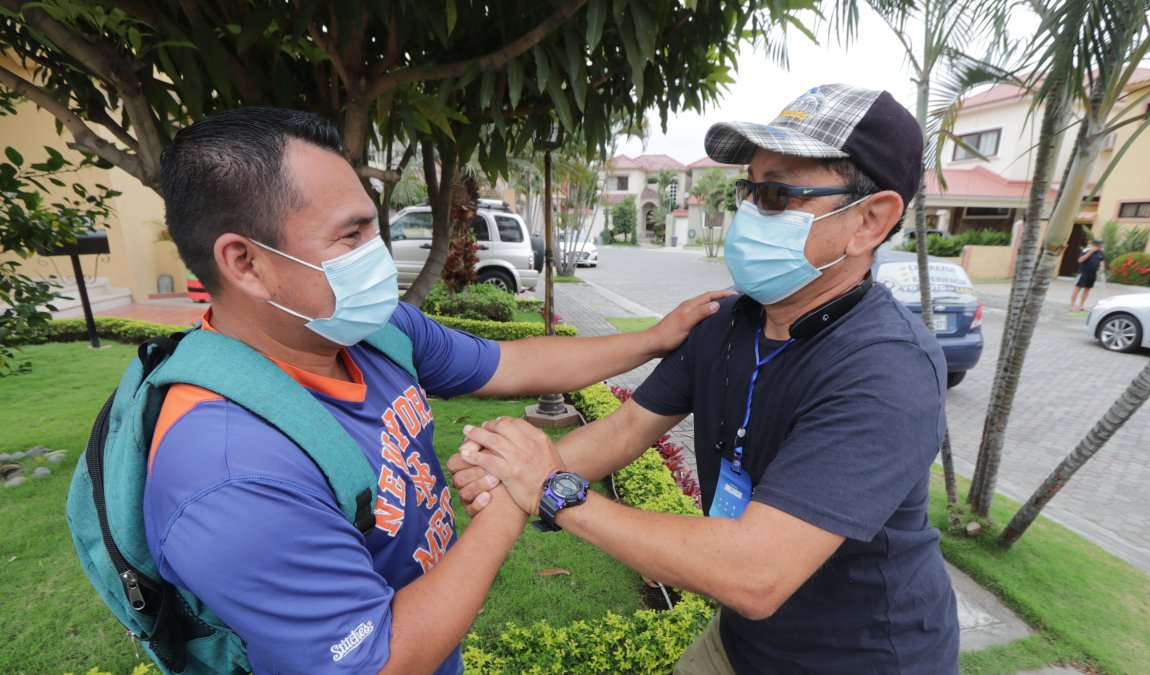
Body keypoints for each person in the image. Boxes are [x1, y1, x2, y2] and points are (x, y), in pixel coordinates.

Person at [145, 107, 730, 674]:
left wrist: (652, 340)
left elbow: (510, 363)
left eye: (373, 228)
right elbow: (383, 661)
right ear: (245, 262)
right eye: (350, 236)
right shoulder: (230, 473)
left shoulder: (371, 332)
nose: (375, 251)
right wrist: (516, 491)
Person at [451, 84, 960, 673]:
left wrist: (553, 490)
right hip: (741, 643)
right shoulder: (725, 322)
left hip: (862, 659)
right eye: (750, 189)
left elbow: (755, 573)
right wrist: (507, 472)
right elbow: (625, 430)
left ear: (870, 220)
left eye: (777, 194)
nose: (749, 212)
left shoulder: (886, 368)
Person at [1071, 238, 1106, 311]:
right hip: (1083, 273)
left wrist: (1102, 267)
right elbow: (1080, 260)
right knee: (1077, 289)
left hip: (1092, 274)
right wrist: (1090, 252)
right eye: (1100, 244)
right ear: (1095, 244)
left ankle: (1081, 306)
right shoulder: (1086, 250)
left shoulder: (1100, 252)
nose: (1101, 245)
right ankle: (1073, 306)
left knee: (1087, 290)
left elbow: (1102, 260)